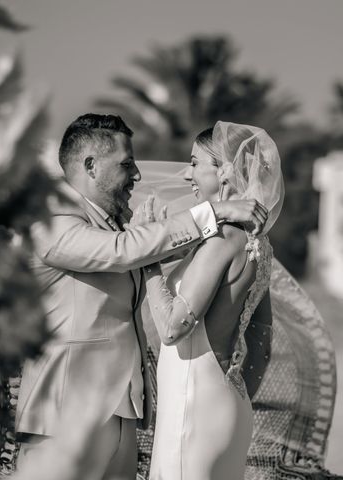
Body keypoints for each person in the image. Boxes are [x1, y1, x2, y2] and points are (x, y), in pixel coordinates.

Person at [13, 114, 269, 480]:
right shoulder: (51, 218)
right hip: (63, 417)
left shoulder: (117, 226)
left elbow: (142, 252)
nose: (137, 173)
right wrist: (212, 212)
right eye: (126, 163)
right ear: (90, 165)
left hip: (123, 414)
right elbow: (121, 252)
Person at [136, 122, 283, 480]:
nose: (187, 174)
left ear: (225, 171)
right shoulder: (258, 242)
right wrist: (233, 389)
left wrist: (149, 261)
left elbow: (173, 327)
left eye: (195, 163)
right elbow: (261, 339)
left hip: (194, 404)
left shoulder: (220, 240)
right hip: (231, 403)